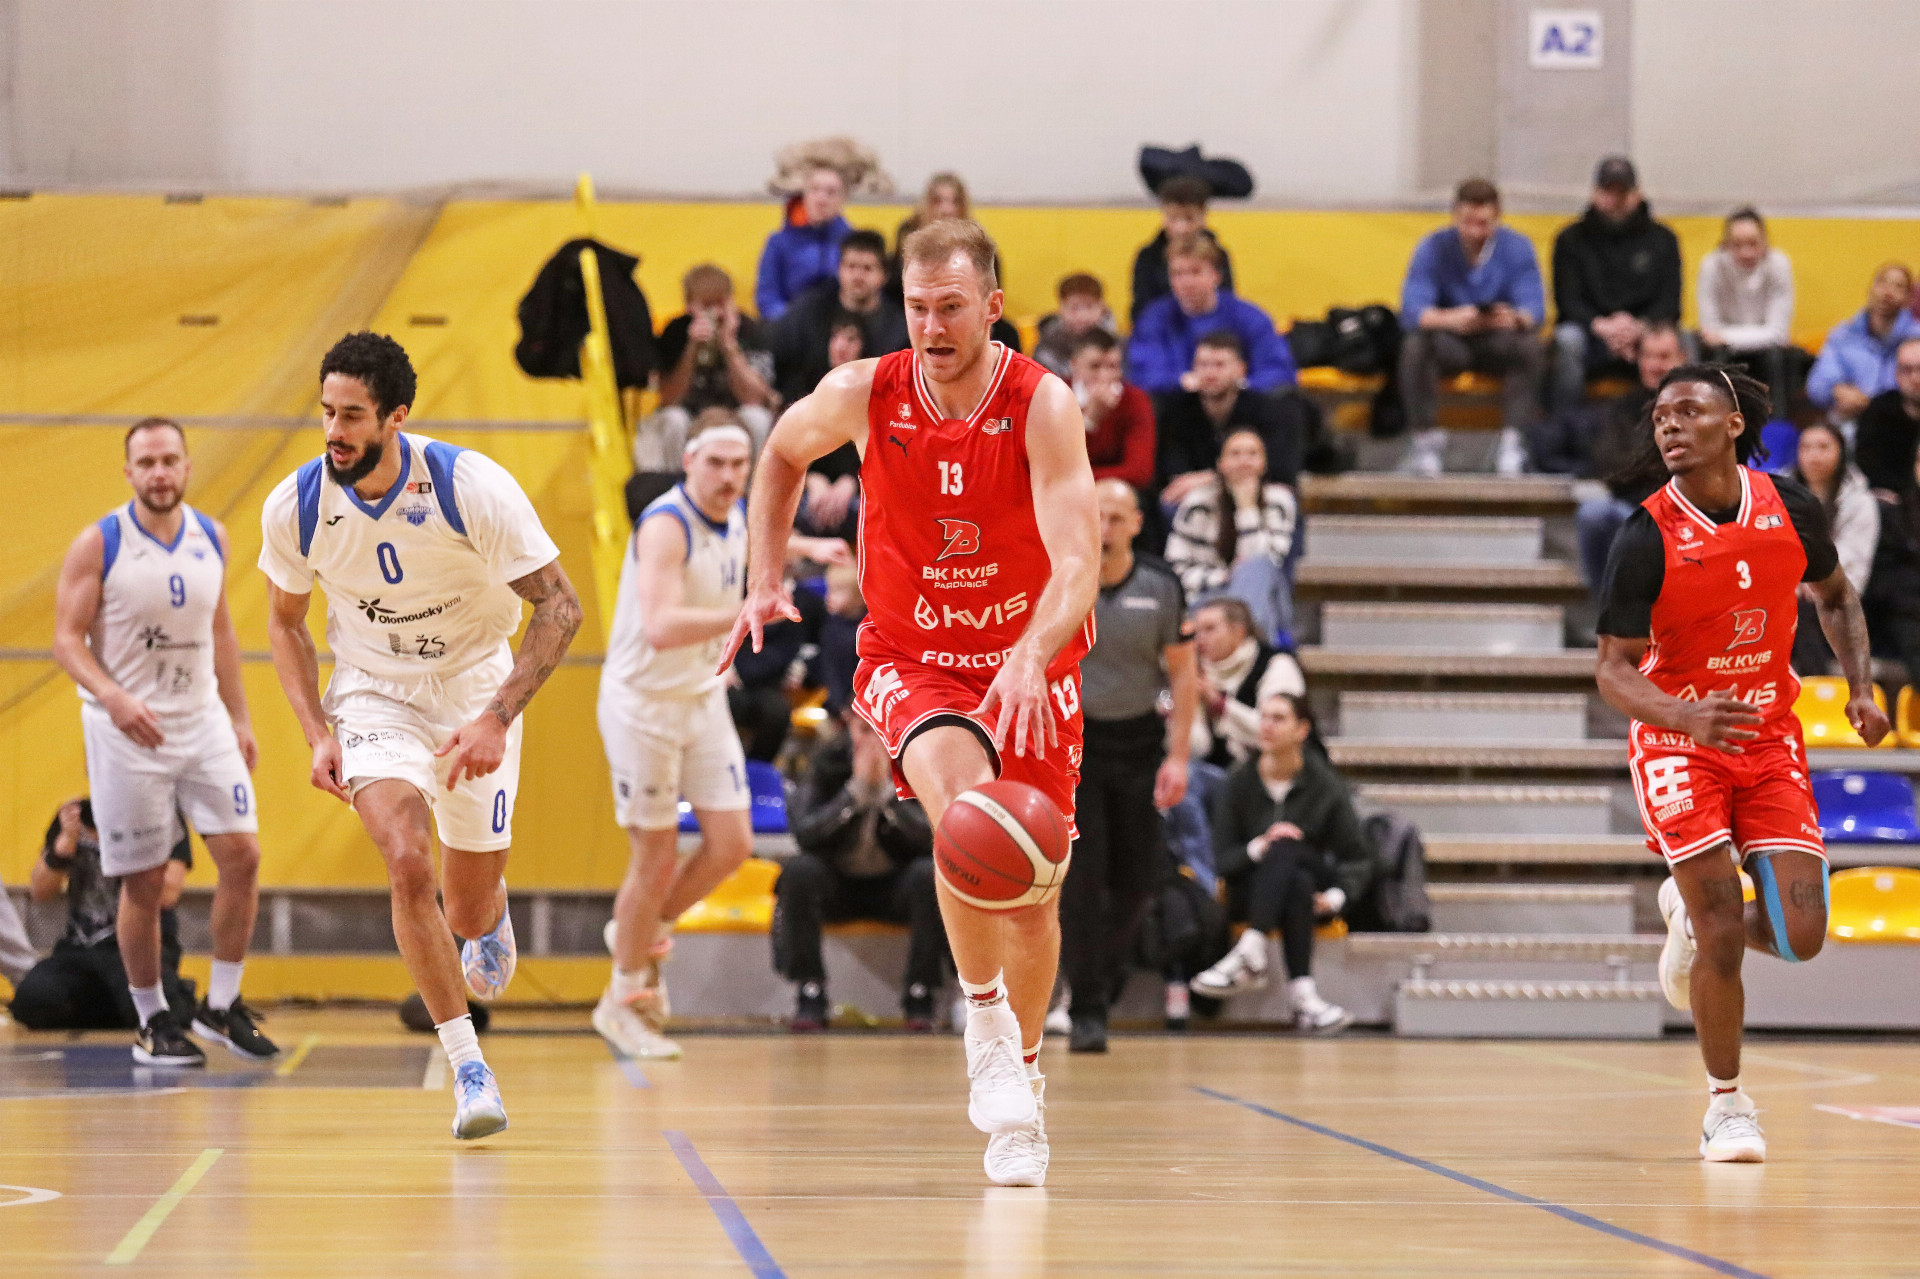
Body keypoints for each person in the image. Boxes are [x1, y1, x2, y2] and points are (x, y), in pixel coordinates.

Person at [722, 217, 1098, 1188]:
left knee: (1034, 892)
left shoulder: (1043, 404)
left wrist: (1031, 653)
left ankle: (1024, 1081)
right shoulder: (864, 390)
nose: (931, 326)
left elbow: (1079, 559)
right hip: (913, 655)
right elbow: (781, 456)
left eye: (951, 307)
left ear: (994, 307)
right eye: (917, 307)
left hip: (1029, 661)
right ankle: (983, 1017)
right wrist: (765, 576)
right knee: (967, 819)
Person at [261, 332, 582, 1140]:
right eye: (326, 412)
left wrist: (496, 716)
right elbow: (285, 623)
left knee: (465, 908)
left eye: (352, 415)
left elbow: (561, 607)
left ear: (396, 416)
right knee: (406, 859)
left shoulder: (469, 488)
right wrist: (316, 732)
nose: (334, 430)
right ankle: (469, 1067)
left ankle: (489, 912)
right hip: (374, 692)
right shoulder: (298, 504)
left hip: (474, 684)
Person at [1594, 363, 1889, 1163]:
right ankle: (1726, 1106)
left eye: (1689, 410)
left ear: (1733, 425)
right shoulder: (1645, 534)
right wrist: (1683, 713)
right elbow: (1613, 668)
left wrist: (1861, 688)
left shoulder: (1790, 506)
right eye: (1661, 416)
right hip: (1678, 742)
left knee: (1802, 935)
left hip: (1766, 734)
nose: (1670, 425)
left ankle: (1686, 915)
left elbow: (1836, 595)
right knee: (1725, 928)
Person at [51, 417, 274, 1066]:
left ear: (186, 465)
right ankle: (152, 1021)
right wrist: (115, 697)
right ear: (129, 472)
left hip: (201, 720)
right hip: (127, 730)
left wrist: (240, 716)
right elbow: (66, 640)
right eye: (146, 462)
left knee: (243, 855)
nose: (159, 472)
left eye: (169, 460)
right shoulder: (100, 542)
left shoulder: (213, 536)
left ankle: (221, 1004)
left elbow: (221, 632)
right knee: (145, 881)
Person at [594, 422, 755, 1061]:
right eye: (716, 462)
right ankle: (622, 999)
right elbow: (660, 626)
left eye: (739, 464)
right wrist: (745, 612)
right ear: (689, 460)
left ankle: (643, 927)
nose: (728, 476)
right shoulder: (666, 525)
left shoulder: (735, 514)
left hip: (701, 697)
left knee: (733, 843)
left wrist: (810, 547)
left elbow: (743, 548)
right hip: (644, 707)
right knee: (655, 855)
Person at [1057, 480, 1196, 1053]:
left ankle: (1101, 980)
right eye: (1099, 516)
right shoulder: (1060, 575)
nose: (1107, 527)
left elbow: (1183, 674)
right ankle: (1087, 1008)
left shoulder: (1162, 586)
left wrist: (1179, 756)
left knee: (1140, 882)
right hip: (1075, 746)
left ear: (1138, 523)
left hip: (1139, 743)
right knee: (1082, 882)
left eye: (1117, 517)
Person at [1189, 692, 1364, 1032]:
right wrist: (1260, 847)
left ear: (1302, 730)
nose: (1266, 725)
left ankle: (1250, 951)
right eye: (1264, 717)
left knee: (1288, 846)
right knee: (1292, 875)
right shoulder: (1238, 781)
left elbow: (1357, 856)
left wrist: (1335, 898)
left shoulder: (1324, 783)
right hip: (1249, 890)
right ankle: (1303, 997)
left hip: (1314, 889)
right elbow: (1222, 861)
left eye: (1278, 718)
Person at [775, 711, 947, 1031]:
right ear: (849, 727)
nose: (873, 740)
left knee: (930, 875)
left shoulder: (914, 763)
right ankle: (810, 991)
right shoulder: (825, 762)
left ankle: (920, 993)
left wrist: (886, 796)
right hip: (837, 884)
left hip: (895, 885)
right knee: (798, 872)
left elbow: (932, 836)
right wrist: (853, 794)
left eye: (880, 731)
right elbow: (805, 834)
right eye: (865, 730)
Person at [1397, 177, 1546, 478]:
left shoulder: (1517, 247)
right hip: (1450, 341)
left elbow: (1535, 309)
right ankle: (1425, 442)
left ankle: (1514, 442)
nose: (1475, 232)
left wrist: (1513, 318)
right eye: (1467, 223)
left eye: (1483, 224)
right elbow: (1412, 311)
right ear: (1455, 216)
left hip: (1497, 339)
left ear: (1497, 217)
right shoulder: (1433, 247)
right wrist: (1452, 319)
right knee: (1415, 346)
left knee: (1531, 347)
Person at [8, 799, 197, 1031]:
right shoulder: (74, 817)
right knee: (32, 999)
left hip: (136, 949)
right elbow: (39, 891)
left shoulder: (161, 816)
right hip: (79, 950)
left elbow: (168, 894)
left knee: (160, 1013)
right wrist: (61, 850)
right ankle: (115, 1006)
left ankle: (160, 998)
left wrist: (125, 843)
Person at [1787, 422, 1920, 682]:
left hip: (1843, 598)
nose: (1814, 455)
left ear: (1841, 452)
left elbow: (1855, 566)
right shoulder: (1778, 497)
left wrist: (1816, 583)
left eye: (1823, 447)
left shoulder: (1860, 502)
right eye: (1806, 447)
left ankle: (1820, 694)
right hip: (1789, 593)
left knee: (1806, 611)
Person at [1559, 322, 1686, 595]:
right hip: (1632, 509)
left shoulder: (1701, 410)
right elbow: (1609, 465)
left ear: (1682, 360)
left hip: (1686, 515)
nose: (1655, 365)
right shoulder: (1622, 408)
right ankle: (1606, 610)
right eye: (1648, 356)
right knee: (1593, 513)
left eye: (1664, 357)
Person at [1549, 156, 1683, 413]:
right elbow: (1567, 301)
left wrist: (1639, 327)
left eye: (1623, 192)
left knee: (1683, 343)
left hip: (1645, 335)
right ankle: (1564, 424)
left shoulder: (1663, 239)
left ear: (1637, 194)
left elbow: (1670, 302)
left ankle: (1683, 422)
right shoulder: (1570, 240)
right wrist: (1602, 326)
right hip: (1591, 335)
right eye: (1609, 191)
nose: (1616, 199)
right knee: (1567, 340)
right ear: (1595, 193)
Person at [636, 264, 779, 471]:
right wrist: (691, 349)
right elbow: (668, 400)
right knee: (672, 419)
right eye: (706, 305)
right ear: (689, 306)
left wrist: (729, 346)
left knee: (757, 418)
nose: (715, 313)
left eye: (721, 303)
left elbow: (755, 399)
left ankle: (752, 489)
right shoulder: (675, 332)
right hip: (691, 419)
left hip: (734, 418)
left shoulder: (749, 329)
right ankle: (677, 485)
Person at [1164, 430, 1300, 645]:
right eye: (1235, 454)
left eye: (1252, 454)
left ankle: (1241, 646)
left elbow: (1268, 562)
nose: (1244, 461)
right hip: (1208, 596)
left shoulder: (1280, 501)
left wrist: (1247, 509)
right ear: (1220, 464)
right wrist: (1223, 577)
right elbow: (1176, 567)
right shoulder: (1197, 503)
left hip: (1266, 597)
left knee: (1257, 567)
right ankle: (1247, 650)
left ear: (1264, 464)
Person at [1154, 331, 1316, 503]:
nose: (1210, 373)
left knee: (1282, 499)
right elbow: (1174, 471)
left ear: (1241, 370)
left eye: (1219, 365)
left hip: (1258, 496)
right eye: (1203, 364)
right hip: (1197, 498)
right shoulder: (1177, 411)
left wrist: (1212, 478)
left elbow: (1280, 472)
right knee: (1170, 502)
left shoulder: (1268, 411)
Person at [1127, 236, 1295, 399]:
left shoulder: (1250, 317)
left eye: (1195, 272)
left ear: (1216, 275)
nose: (1186, 282)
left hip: (1242, 404)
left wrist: (1239, 386)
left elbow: (1279, 370)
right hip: (1177, 404)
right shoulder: (1154, 319)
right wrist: (1181, 381)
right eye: (1177, 274)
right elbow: (1142, 372)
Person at [770, 230, 903, 409]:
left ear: (884, 275)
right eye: (851, 267)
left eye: (867, 268)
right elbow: (786, 366)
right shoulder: (809, 312)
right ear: (839, 269)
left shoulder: (898, 327)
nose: (858, 276)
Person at [1696, 208, 1795, 420]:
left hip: (1766, 352)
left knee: (1779, 358)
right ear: (1725, 245)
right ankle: (1715, 419)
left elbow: (1779, 334)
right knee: (1709, 355)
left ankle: (1777, 425)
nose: (1746, 253)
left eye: (1753, 244)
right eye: (1737, 245)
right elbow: (1709, 331)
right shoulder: (1711, 266)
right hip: (1724, 353)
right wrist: (1759, 334)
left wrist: (1726, 336)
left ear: (1765, 243)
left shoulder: (1779, 264)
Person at [1188, 597, 1304, 770]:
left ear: (1238, 632)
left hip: (1270, 771)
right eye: (1196, 631)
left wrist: (1220, 705)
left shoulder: (1277, 665)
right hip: (1213, 772)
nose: (1200, 639)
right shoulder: (1194, 672)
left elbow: (1279, 731)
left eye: (1210, 629)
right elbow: (1198, 748)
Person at [1807, 263, 1918, 427]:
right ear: (1870, 289)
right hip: (1852, 420)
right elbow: (1817, 386)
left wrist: (1874, 403)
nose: (1888, 292)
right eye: (1882, 282)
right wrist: (1837, 391)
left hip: (1905, 421)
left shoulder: (1916, 338)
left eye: (1898, 286)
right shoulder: (1844, 335)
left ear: (1909, 298)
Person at [1130, 175, 1235, 323]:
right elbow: (1141, 309)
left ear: (1203, 216)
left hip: (1212, 331)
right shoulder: (1148, 256)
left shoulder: (1219, 255)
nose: (1181, 228)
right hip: (1162, 331)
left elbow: (1226, 302)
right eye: (1173, 219)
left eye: (1189, 218)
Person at [755, 164, 851, 322]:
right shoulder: (778, 243)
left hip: (842, 326)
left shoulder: (853, 243)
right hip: (791, 325)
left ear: (843, 199)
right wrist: (794, 322)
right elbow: (767, 296)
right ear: (804, 196)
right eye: (814, 190)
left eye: (831, 192)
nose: (821, 199)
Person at [1067, 329, 1156, 492]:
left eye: (1112, 367)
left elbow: (1140, 471)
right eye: (1094, 366)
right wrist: (1090, 420)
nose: (1104, 376)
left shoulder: (1135, 399)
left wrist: (1077, 479)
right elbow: (1057, 465)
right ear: (1075, 365)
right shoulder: (1057, 396)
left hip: (1120, 490)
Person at [1850, 336, 1920, 494]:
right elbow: (1868, 466)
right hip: (1892, 500)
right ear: (1897, 374)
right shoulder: (1878, 412)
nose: (1915, 378)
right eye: (1907, 370)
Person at [1033, 274, 1117, 379]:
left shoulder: (1117, 346)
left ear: (1102, 307)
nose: (1082, 316)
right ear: (1061, 309)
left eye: (1089, 306)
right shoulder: (1048, 347)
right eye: (1074, 308)